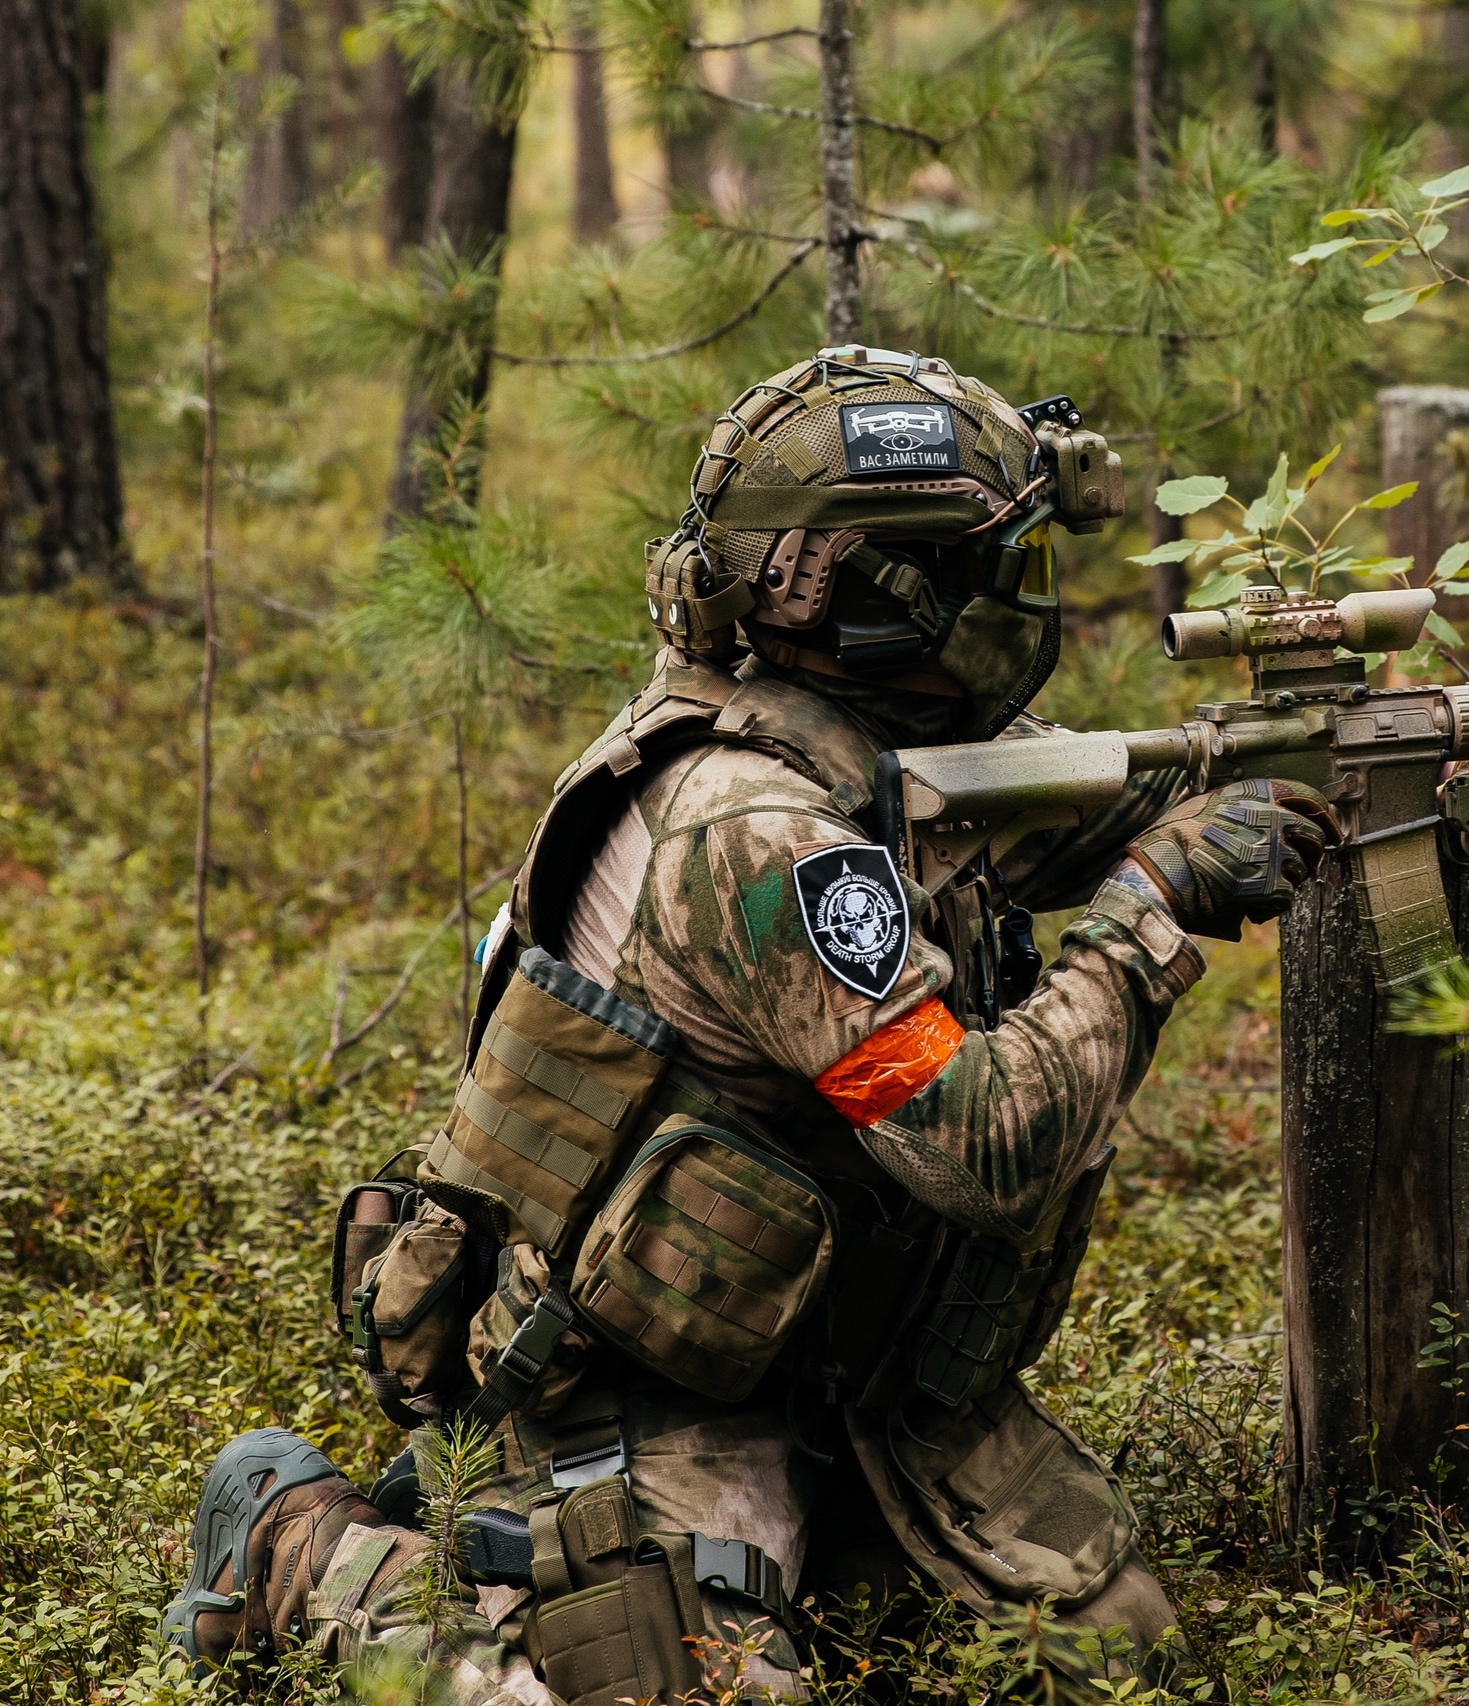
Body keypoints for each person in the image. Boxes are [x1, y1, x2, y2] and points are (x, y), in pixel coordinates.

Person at [158, 349, 1337, 1703]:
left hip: (818, 1364)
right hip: (635, 1388)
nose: (1014, 605)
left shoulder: (836, 749)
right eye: (985, 571)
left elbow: (1093, 807)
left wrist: (1385, 778)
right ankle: (296, 1544)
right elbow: (994, 1143)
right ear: (888, 599)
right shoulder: (760, 831)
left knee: (1118, 1656)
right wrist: (1153, 903)